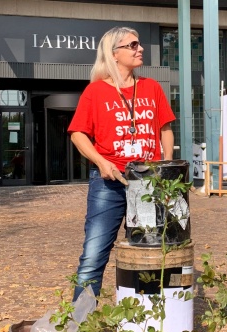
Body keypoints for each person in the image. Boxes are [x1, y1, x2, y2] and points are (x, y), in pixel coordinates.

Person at [68, 26, 175, 300]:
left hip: (148, 182)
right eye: (133, 45)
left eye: (139, 44)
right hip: (109, 182)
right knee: (93, 256)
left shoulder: (151, 87)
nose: (140, 49)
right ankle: (79, 330)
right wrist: (101, 162)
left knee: (147, 253)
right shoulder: (95, 92)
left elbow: (165, 129)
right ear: (114, 54)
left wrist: (165, 167)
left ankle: (145, 326)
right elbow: (78, 134)